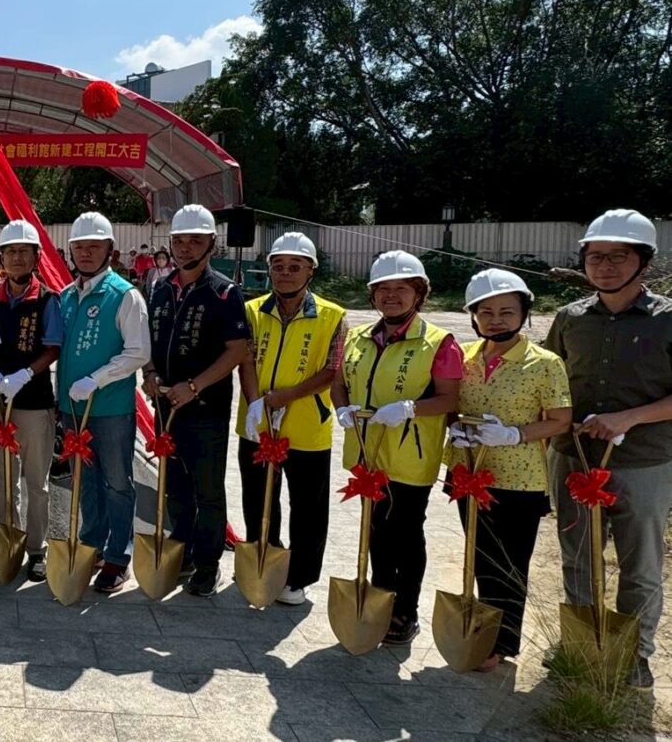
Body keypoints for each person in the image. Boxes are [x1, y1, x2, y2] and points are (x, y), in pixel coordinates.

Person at [542, 209, 672, 689]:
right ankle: (580, 646)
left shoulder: (668, 320)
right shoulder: (570, 318)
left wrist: (629, 417)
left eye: (620, 256)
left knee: (639, 565)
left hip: (644, 463)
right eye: (596, 257)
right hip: (574, 457)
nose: (606, 266)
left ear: (644, 262)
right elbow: (548, 380)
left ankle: (633, 656)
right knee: (577, 556)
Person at [332, 250, 462, 645]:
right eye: (382, 289)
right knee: (376, 530)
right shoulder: (357, 337)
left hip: (410, 457)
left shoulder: (439, 342)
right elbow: (339, 382)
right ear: (372, 296)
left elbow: (450, 399)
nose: (391, 296)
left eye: (401, 289)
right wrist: (341, 408)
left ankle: (405, 610)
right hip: (367, 454)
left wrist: (410, 409)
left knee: (405, 532)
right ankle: (379, 599)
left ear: (418, 294)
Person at [446, 269, 570, 671]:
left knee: (510, 561)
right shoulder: (462, 357)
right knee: (479, 556)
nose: (496, 319)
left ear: (524, 314)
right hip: (468, 473)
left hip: (518, 479)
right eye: (486, 312)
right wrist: (455, 426)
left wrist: (515, 435)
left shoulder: (544, 363)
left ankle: (503, 642)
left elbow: (560, 419)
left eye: (506, 311)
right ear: (473, 316)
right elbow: (449, 403)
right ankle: (481, 631)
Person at [144, 204, 250, 597]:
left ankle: (207, 563)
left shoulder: (224, 292)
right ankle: (183, 549)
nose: (186, 248)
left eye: (195, 240)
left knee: (207, 488)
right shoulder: (159, 287)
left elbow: (237, 349)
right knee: (174, 485)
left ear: (211, 243)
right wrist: (150, 374)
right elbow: (147, 343)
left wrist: (195, 386)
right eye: (180, 240)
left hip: (205, 408)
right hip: (166, 407)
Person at [235, 232, 344, 606]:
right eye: (278, 266)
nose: (285, 274)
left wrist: (286, 397)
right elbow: (246, 358)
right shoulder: (252, 311)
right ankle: (266, 561)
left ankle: (298, 576)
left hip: (306, 429)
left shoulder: (333, 317)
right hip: (258, 424)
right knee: (258, 498)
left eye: (295, 266)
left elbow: (333, 370)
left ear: (310, 271)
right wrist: (254, 402)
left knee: (308, 506)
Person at [59, 212, 150, 593]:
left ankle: (118, 556)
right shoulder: (65, 296)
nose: (85, 253)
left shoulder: (124, 295)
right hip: (72, 408)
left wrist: (97, 379)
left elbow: (138, 352)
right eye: (79, 246)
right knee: (86, 480)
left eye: (94, 246)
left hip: (110, 408)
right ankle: (92, 543)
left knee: (116, 482)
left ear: (109, 251)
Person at [0, 220, 61, 583]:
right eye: (10, 252)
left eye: (23, 252)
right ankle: (5, 540)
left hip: (34, 402)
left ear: (36, 257)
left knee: (35, 481)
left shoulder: (47, 299)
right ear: (1, 258)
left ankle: (36, 548)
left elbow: (52, 347)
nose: (16, 258)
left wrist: (26, 374)